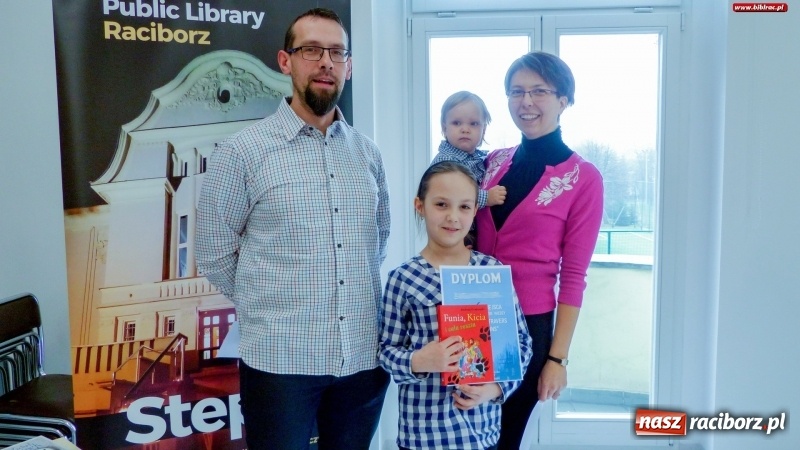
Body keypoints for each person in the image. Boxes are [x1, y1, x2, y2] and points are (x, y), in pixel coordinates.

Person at [195, 8, 390, 450]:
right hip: (280, 364)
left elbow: (376, 241)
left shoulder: (369, 155)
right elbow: (213, 251)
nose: (326, 62)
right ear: (286, 61)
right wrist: (269, 302)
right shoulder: (242, 153)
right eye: (311, 50)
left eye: (337, 53)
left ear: (349, 66)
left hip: (362, 360)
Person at [474, 51, 604, 449]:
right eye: (516, 92)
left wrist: (557, 360)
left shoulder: (583, 179)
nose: (525, 102)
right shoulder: (491, 163)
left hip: (527, 327)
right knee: (465, 432)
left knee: (504, 436)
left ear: (564, 100)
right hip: (469, 313)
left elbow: (574, 276)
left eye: (539, 91)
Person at [379, 160, 533, 450]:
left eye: (464, 207)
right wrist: (419, 361)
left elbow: (521, 344)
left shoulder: (492, 272)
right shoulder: (403, 279)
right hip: (423, 436)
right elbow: (386, 351)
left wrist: (495, 389)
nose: (453, 217)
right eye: (441, 204)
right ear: (419, 206)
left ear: (475, 211)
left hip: (482, 434)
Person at [431, 91, 507, 210]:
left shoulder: (480, 159)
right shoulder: (446, 161)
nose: (465, 129)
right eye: (457, 123)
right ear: (444, 128)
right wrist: (486, 197)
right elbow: (455, 192)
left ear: (484, 130)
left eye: (474, 124)